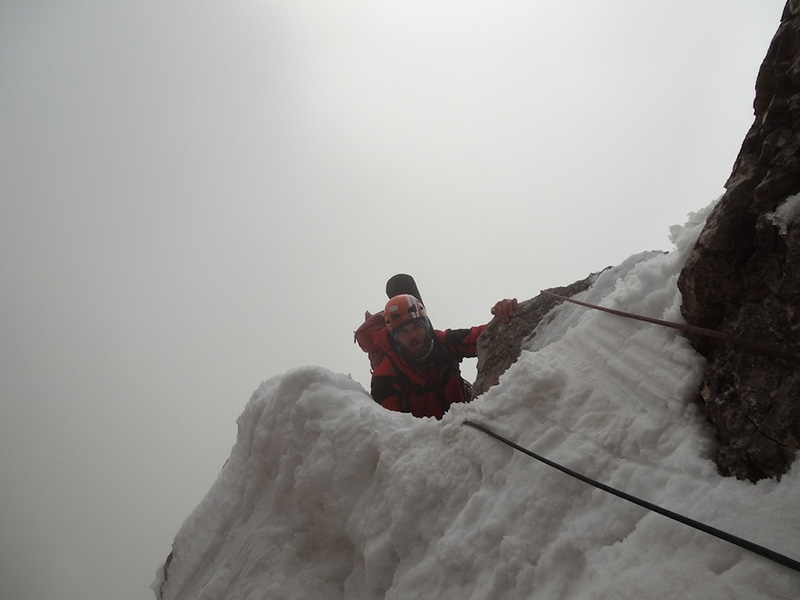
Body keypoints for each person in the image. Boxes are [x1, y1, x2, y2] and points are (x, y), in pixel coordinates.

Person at [355, 293, 518, 419]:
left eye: (417, 327)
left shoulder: (441, 342)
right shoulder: (385, 376)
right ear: (394, 339)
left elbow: (484, 336)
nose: (413, 336)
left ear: (427, 327)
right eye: (403, 331)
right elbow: (392, 431)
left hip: (465, 426)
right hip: (428, 448)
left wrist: (506, 314)